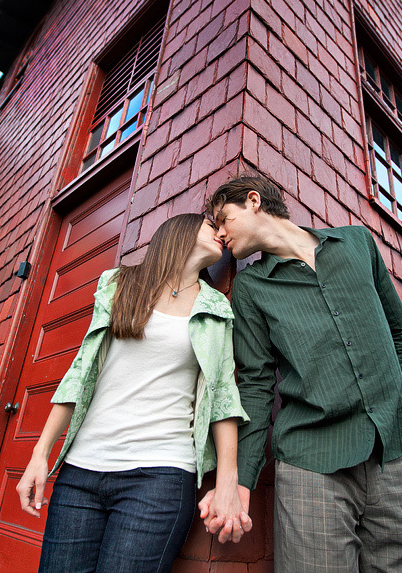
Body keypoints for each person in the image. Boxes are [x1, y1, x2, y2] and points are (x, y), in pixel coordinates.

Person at [199, 176, 402, 572]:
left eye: (223, 220)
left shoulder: (358, 244)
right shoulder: (253, 286)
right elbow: (255, 384)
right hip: (310, 462)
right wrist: (240, 479)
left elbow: (401, 336)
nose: (220, 235)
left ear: (254, 202)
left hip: (390, 454)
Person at [17, 213, 251, 573]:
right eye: (210, 226)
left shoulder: (216, 307)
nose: (221, 234)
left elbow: (222, 397)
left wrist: (227, 484)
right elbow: (81, 372)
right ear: (181, 232)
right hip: (81, 472)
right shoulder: (118, 284)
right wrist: (40, 453)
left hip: (159, 478)